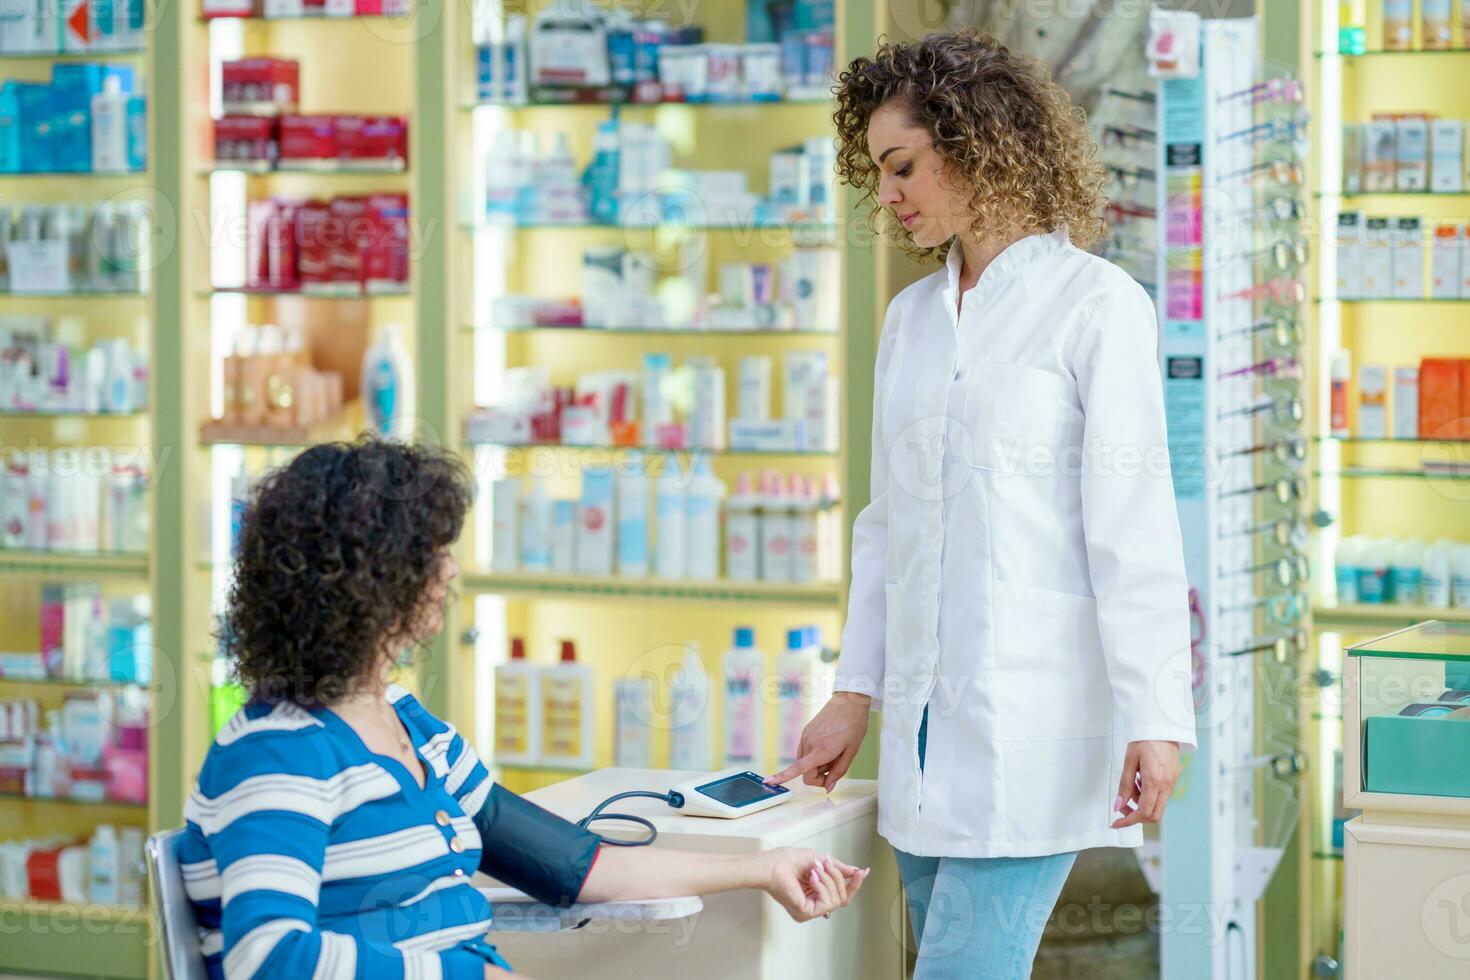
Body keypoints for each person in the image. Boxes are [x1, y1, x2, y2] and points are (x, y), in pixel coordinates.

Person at [765, 31, 1198, 978]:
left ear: (973, 141)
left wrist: (1156, 714)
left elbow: (1133, 527)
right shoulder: (910, 321)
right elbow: (887, 528)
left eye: (903, 165)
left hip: (1033, 722)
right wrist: (852, 695)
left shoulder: (1097, 304)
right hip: (920, 732)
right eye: (877, 171)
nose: (887, 194)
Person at [179, 438, 868, 979]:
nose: (450, 574)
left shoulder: (416, 734)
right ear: (370, 581)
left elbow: (577, 866)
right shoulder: (276, 752)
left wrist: (765, 868)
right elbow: (267, 959)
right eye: (432, 554)